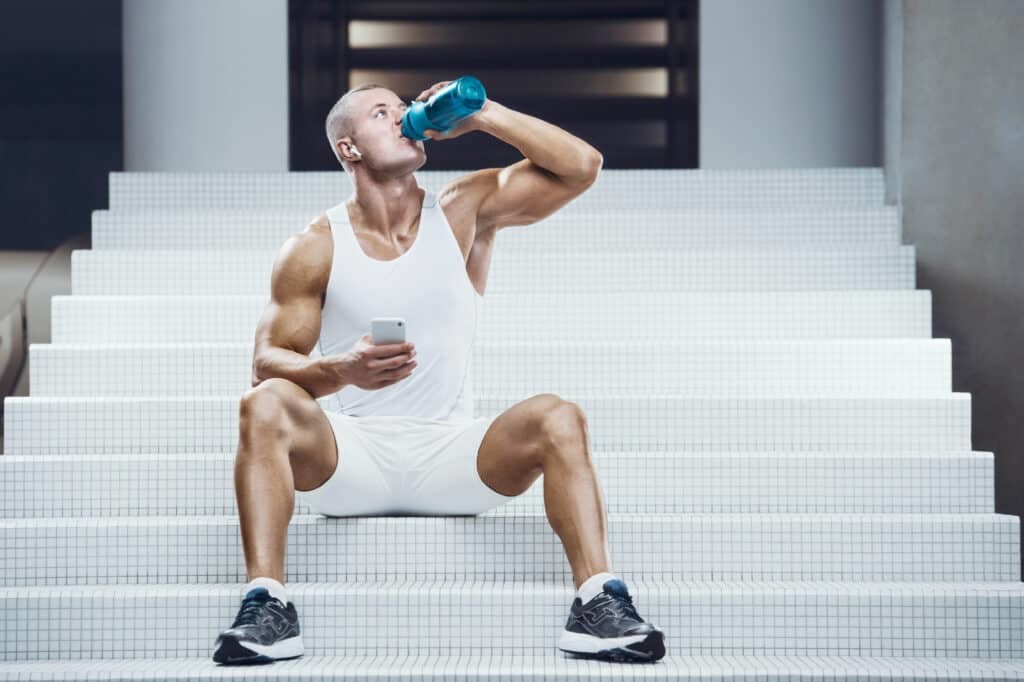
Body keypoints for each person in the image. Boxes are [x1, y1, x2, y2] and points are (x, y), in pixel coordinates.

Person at [212, 80, 666, 665]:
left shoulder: (464, 208)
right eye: (383, 113)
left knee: (559, 414)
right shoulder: (315, 245)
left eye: (406, 108)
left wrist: (485, 115)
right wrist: (341, 369)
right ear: (349, 148)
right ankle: (267, 606)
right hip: (353, 461)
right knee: (265, 402)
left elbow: (582, 167)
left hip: (455, 453)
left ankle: (598, 603)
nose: (403, 117)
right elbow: (266, 363)